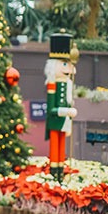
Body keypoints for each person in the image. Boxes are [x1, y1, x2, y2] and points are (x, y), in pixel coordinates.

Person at [44, 31, 78, 183]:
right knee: (55, 146)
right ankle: (54, 172)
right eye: (64, 64)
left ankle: (60, 172)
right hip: (55, 121)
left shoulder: (68, 84)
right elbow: (51, 109)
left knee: (62, 147)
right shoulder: (52, 85)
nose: (69, 69)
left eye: (69, 64)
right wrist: (66, 112)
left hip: (64, 122)